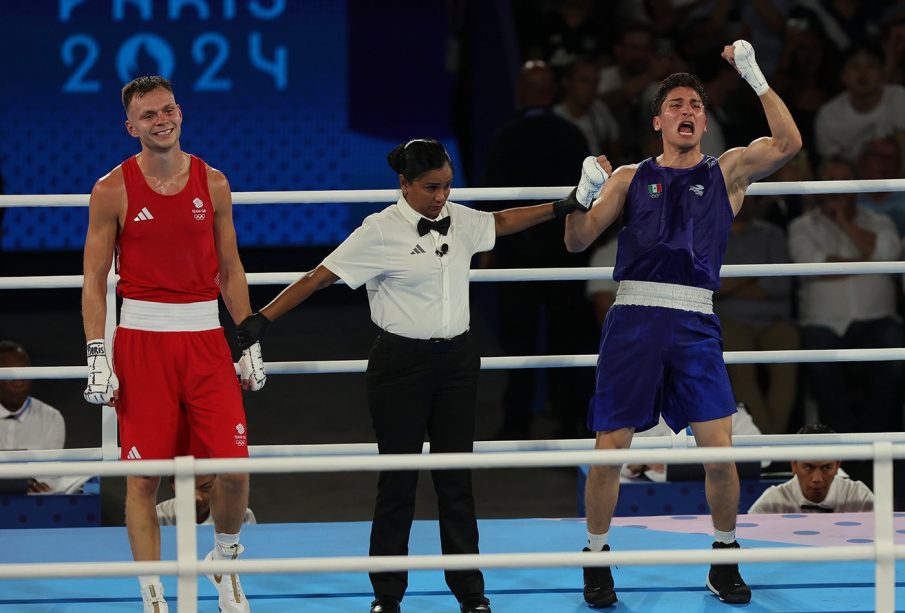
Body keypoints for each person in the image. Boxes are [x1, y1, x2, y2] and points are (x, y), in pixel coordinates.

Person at [235, 138, 609, 613]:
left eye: (448, 186)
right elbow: (317, 277)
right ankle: (386, 596)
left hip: (457, 365)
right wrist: (260, 321)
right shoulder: (379, 231)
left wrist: (564, 206)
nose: (441, 196)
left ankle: (471, 594)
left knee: (458, 481)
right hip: (399, 368)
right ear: (404, 184)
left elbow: (502, 221)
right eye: (431, 187)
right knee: (397, 483)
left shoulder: (463, 218)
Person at [564, 40, 802, 606]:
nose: (688, 111)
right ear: (658, 120)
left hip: (695, 318)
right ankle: (595, 558)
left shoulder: (729, 172)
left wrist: (753, 75)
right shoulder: (627, 176)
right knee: (611, 445)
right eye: (676, 103)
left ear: (705, 120)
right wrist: (581, 194)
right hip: (634, 317)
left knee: (718, 450)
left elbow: (790, 143)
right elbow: (576, 241)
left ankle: (723, 558)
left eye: (696, 104)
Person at [81, 75, 266, 613]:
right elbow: (94, 279)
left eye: (167, 110)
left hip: (206, 339)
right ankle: (152, 595)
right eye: (148, 115)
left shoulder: (213, 182)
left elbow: (231, 268)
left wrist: (247, 338)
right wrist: (98, 351)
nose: (160, 120)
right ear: (130, 126)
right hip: (142, 341)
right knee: (143, 479)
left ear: (180, 112)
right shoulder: (111, 189)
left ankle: (225, 565)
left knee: (234, 468)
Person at [788, 157, 905, 436]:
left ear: (855, 187)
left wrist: (842, 222)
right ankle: (839, 436)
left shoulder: (880, 222)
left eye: (844, 182)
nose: (838, 189)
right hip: (823, 323)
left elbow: (888, 256)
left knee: (895, 353)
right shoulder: (802, 227)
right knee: (818, 359)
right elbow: (813, 267)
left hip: (876, 319)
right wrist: (867, 260)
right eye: (831, 182)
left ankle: (871, 434)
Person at [748, 424, 874, 513]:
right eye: (808, 467)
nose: (817, 479)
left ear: (837, 466)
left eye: (826, 468)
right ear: (794, 465)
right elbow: (747, 543)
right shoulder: (773, 502)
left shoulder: (858, 496)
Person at [0, 340, 65, 493]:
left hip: (34, 504)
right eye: (10, 374)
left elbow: (49, 476)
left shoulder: (52, 418)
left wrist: (28, 484)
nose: (19, 381)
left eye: (24, 371)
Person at [156, 475, 257, 526]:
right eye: (187, 488)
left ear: (218, 484)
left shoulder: (243, 516)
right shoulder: (158, 516)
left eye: (205, 488)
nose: (196, 497)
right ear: (174, 486)